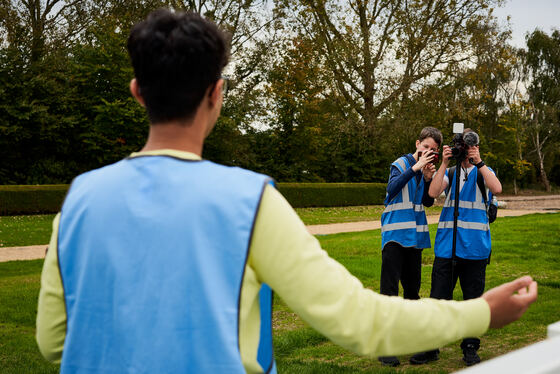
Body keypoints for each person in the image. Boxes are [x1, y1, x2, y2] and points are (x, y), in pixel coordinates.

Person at [36, 9, 538, 374]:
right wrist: (481, 312)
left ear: (137, 91)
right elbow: (358, 319)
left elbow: (53, 343)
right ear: (217, 93)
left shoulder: (78, 200)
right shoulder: (248, 201)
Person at [410, 129, 503, 367]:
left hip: (475, 250)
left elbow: (497, 189)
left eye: (468, 146)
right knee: (439, 299)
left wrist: (478, 161)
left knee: (473, 301)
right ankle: (431, 346)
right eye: (462, 145)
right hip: (447, 248)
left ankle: (470, 347)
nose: (464, 150)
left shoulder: (484, 171)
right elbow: (432, 192)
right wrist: (444, 162)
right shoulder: (450, 171)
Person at [377, 127, 440, 366]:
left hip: (415, 238)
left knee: (412, 292)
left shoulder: (424, 170)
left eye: (433, 150)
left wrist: (426, 178)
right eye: (425, 148)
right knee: (389, 292)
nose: (428, 152)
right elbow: (391, 192)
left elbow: (427, 202)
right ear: (417, 144)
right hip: (394, 236)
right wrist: (415, 168)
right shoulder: (401, 164)